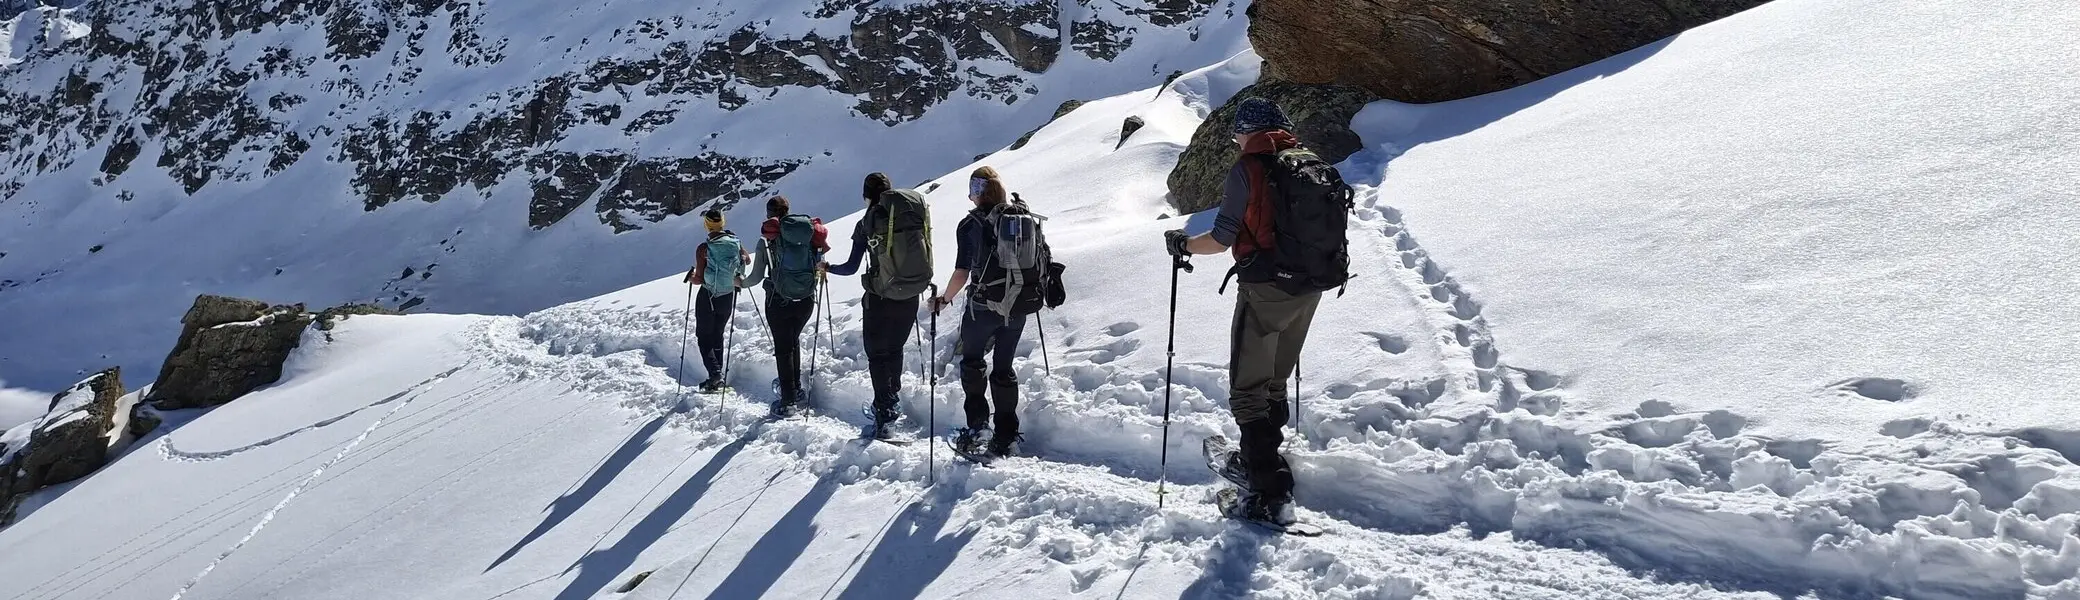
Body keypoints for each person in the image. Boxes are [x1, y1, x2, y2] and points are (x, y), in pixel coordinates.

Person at [1163, 97, 1351, 522]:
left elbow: (1221, 239)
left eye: (1237, 135)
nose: (1236, 142)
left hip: (1266, 285)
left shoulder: (1248, 169)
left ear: (1249, 131)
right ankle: (1266, 454)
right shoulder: (1308, 162)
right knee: (1275, 378)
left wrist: (1182, 244)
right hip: (1311, 287)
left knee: (1248, 388)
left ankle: (1267, 488)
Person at [930, 166, 1050, 458]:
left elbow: (962, 271)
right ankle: (1006, 435)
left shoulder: (970, 224)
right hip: (1017, 307)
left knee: (972, 363)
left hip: (982, 306)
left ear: (978, 191)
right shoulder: (1020, 218)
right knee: (1004, 367)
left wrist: (944, 299)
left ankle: (978, 430)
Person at [826, 173, 934, 435]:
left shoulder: (868, 222)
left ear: (866, 194)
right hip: (910, 293)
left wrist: (828, 267)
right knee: (895, 348)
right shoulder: (910, 214)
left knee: (877, 353)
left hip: (881, 296)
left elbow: (852, 267)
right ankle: (892, 400)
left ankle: (884, 412)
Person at [739, 196, 830, 416]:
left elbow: (757, 276)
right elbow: (820, 261)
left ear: (769, 214)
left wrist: (740, 282)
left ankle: (787, 400)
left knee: (783, 348)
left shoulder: (768, 240)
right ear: (788, 211)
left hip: (779, 300)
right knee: (793, 341)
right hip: (806, 300)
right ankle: (796, 388)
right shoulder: (809, 234)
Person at [682, 209, 751, 393]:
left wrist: (690, 278)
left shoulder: (704, 248)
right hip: (728, 294)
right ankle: (717, 377)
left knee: (704, 338)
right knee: (718, 334)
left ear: (706, 224)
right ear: (723, 222)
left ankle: (715, 375)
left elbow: (700, 278)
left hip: (708, 296)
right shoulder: (734, 241)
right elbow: (748, 260)